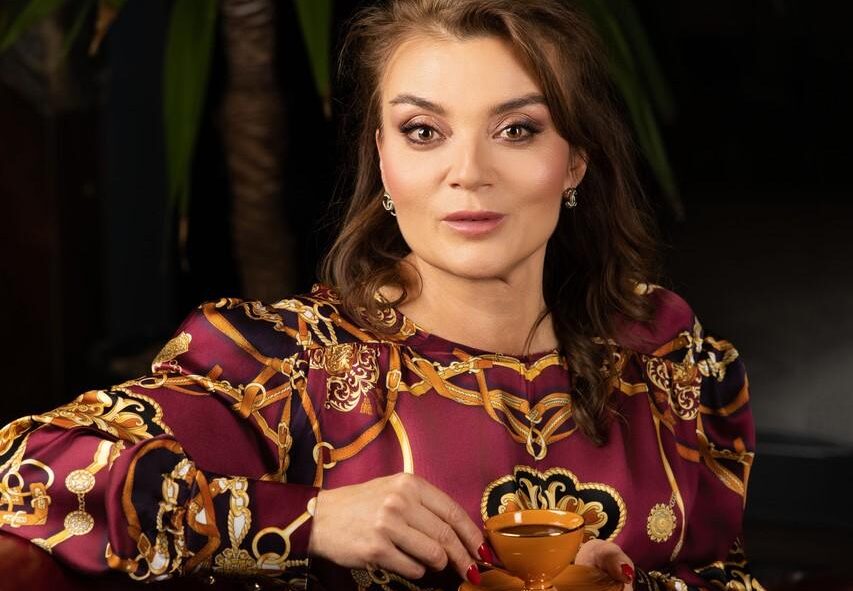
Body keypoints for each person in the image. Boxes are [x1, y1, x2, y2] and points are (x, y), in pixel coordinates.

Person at [0, 0, 763, 589]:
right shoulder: (285, 364)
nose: (468, 173)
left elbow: (719, 570)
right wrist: (307, 518)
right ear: (382, 158)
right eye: (423, 131)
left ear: (574, 162)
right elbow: (24, 473)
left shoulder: (661, 349)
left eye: (516, 130)